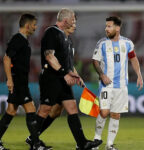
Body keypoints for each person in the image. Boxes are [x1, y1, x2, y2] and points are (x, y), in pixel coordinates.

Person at [26, 8, 101, 150]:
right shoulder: (51, 33)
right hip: (51, 77)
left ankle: (82, 143)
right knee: (45, 109)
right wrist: (65, 74)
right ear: (65, 21)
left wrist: (76, 75)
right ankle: (34, 142)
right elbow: (49, 56)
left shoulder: (67, 39)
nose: (75, 23)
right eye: (73, 20)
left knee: (71, 107)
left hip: (62, 78)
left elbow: (69, 64)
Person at [92, 16, 143, 150]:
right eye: (106, 26)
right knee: (104, 112)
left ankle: (109, 145)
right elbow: (95, 61)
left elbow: (133, 59)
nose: (106, 29)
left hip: (121, 86)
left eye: (109, 26)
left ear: (117, 28)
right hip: (106, 85)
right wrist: (102, 75)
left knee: (116, 115)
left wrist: (139, 75)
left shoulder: (127, 43)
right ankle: (96, 140)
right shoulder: (102, 43)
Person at [0, 14, 49, 150]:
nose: (35, 27)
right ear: (27, 25)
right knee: (31, 109)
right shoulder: (17, 39)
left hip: (20, 81)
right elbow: (6, 59)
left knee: (10, 111)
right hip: (17, 82)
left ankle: (35, 144)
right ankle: (36, 144)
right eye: (34, 24)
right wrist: (9, 79)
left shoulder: (22, 40)